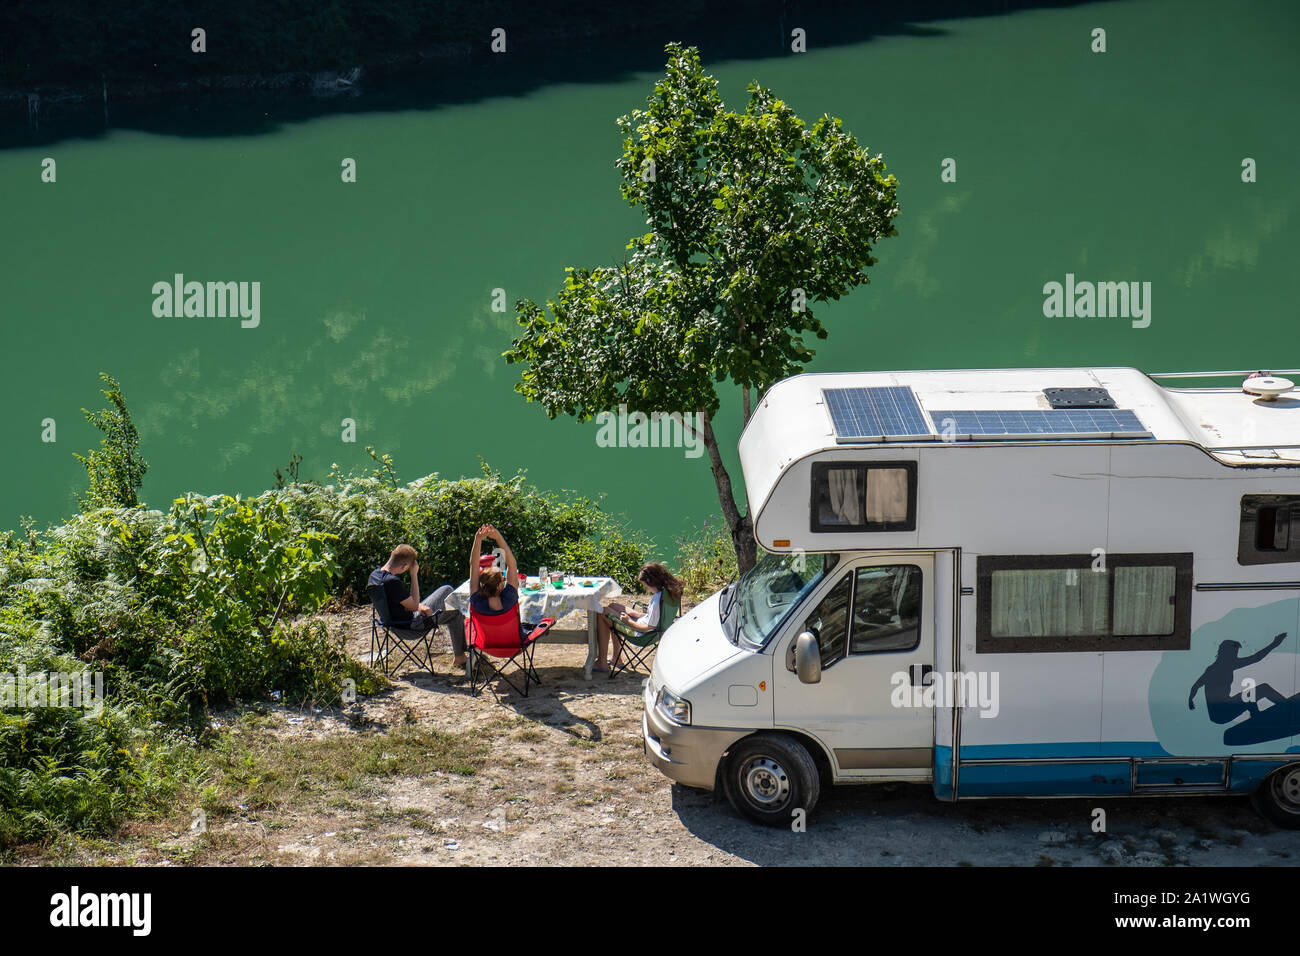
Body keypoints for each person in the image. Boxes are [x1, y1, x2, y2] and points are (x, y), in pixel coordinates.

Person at [368, 544, 467, 668]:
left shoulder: (374, 576)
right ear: (405, 567)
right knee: (447, 592)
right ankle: (461, 656)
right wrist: (414, 575)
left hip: (391, 624)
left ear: (391, 555)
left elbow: (401, 603)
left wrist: (419, 606)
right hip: (411, 627)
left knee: (453, 611)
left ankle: (460, 657)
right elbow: (414, 605)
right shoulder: (393, 583)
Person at [595, 562, 684, 672]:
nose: (645, 587)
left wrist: (628, 621)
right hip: (652, 629)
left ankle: (602, 662)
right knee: (613, 606)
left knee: (602, 612)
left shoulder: (657, 599)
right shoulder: (669, 593)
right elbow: (657, 617)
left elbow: (648, 627)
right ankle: (616, 658)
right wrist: (636, 615)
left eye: (644, 584)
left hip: (640, 634)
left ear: (650, 581)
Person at [469, 524, 520, 622]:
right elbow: (512, 564)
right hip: (512, 637)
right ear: (499, 586)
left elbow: (474, 565)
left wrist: (478, 539)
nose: (505, 579)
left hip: (485, 638)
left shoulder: (477, 602)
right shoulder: (510, 598)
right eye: (503, 579)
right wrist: (498, 537)